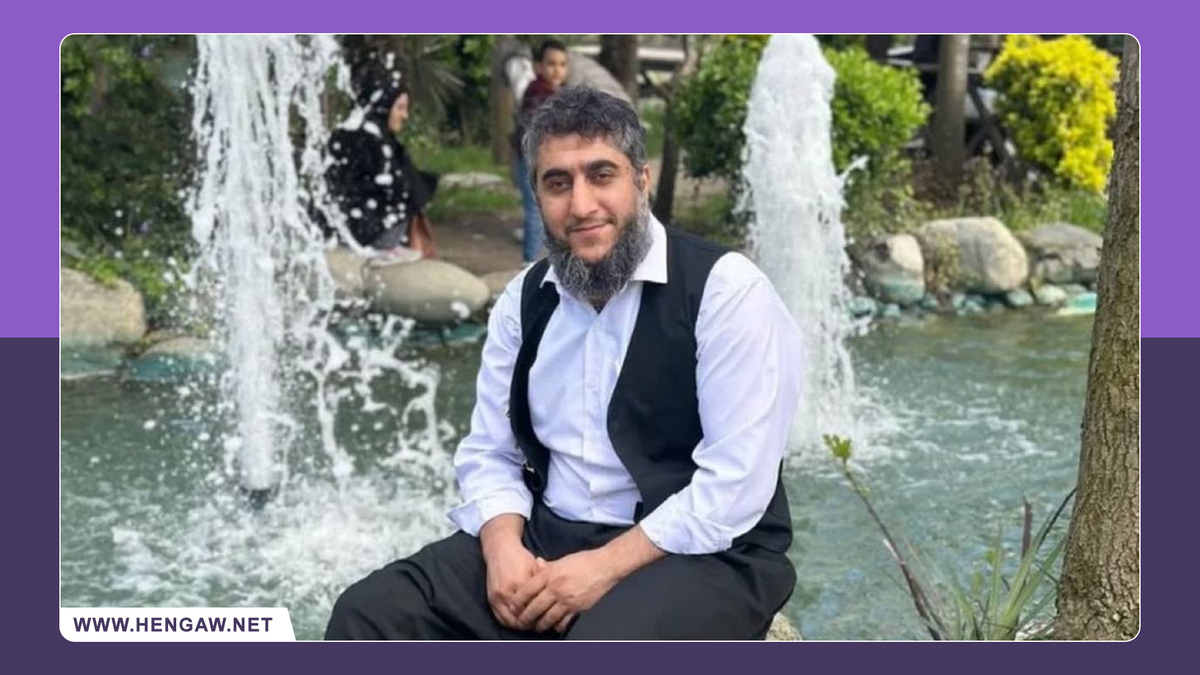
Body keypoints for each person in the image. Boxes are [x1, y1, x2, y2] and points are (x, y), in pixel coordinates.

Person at [325, 87, 804, 640]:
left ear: (641, 180)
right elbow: (490, 451)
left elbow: (736, 482)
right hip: (547, 537)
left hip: (702, 554)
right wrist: (502, 548)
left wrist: (602, 569)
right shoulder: (524, 300)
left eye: (602, 175)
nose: (580, 205)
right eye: (558, 183)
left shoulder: (725, 291)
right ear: (537, 195)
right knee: (368, 613)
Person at [325, 68, 437, 262]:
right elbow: (402, 191)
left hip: (344, 232)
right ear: (384, 107)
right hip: (371, 238)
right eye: (400, 108)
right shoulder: (372, 144)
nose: (405, 116)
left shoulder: (356, 136)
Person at [513, 39, 569, 263]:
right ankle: (530, 263)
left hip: (547, 162)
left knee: (545, 210)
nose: (557, 70)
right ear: (538, 67)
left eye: (562, 64)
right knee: (536, 211)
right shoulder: (538, 93)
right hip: (532, 161)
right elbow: (537, 130)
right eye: (551, 64)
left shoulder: (557, 93)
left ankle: (540, 260)